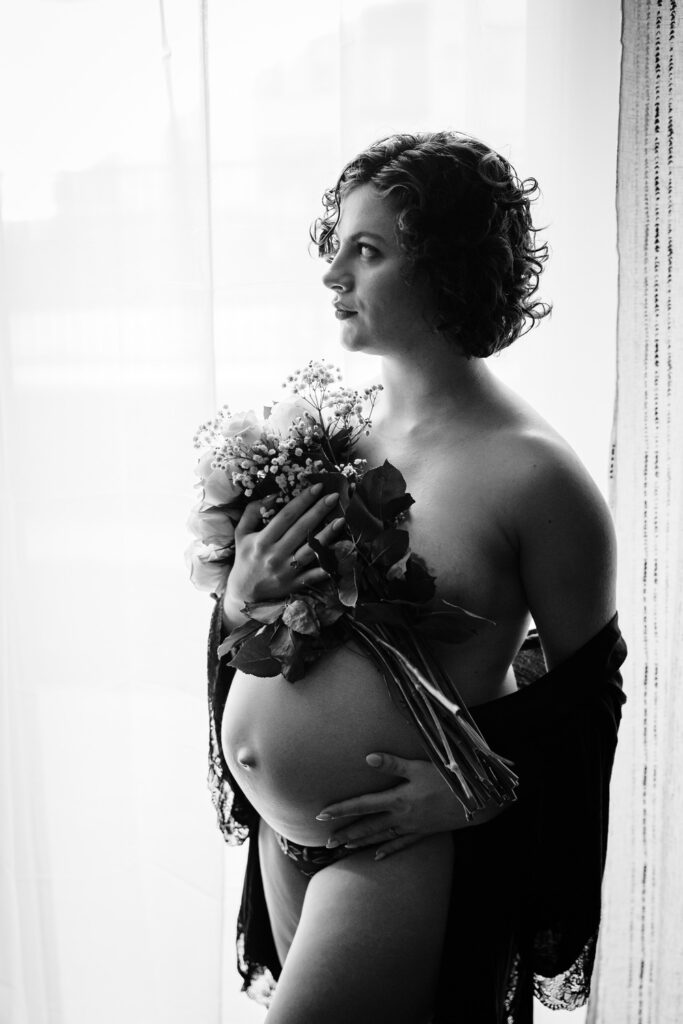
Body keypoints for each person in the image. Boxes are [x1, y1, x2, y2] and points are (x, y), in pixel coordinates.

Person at [206, 132, 627, 1023]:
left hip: (395, 851)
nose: (332, 277)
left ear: (445, 269)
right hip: (287, 837)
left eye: (368, 251)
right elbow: (268, 632)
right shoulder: (336, 438)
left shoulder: (535, 477)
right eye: (338, 248)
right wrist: (242, 595)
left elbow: (586, 700)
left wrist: (478, 786)